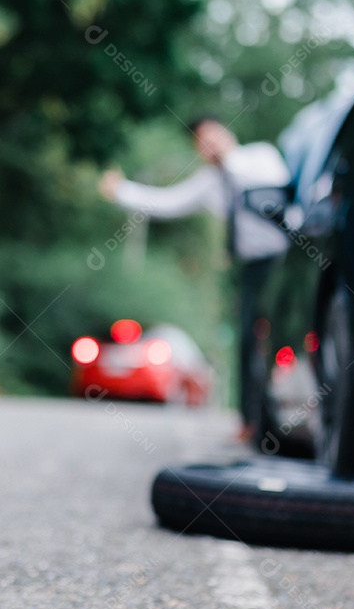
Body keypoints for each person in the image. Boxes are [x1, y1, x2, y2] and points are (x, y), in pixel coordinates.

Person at [98, 115, 290, 442]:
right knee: (246, 339)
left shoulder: (260, 156)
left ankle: (284, 419)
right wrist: (121, 191)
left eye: (212, 135)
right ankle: (251, 420)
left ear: (227, 133)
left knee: (282, 340)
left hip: (285, 260)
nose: (208, 144)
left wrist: (228, 160)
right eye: (200, 141)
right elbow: (165, 202)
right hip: (249, 268)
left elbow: (271, 181)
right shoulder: (208, 183)